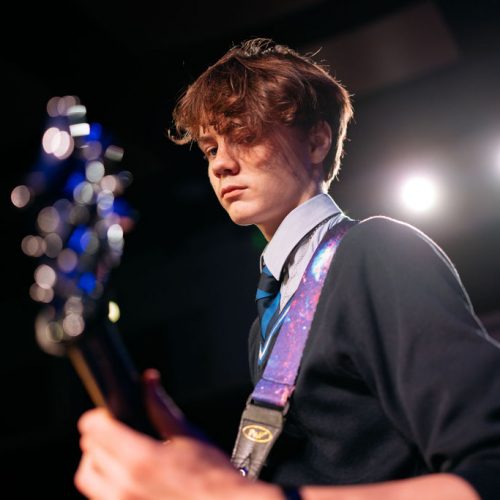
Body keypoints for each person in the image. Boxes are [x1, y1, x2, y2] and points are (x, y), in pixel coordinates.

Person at [74, 38, 500, 499]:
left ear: (317, 141)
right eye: (210, 147)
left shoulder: (375, 250)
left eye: (244, 135)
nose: (220, 164)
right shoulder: (268, 318)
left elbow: (489, 468)